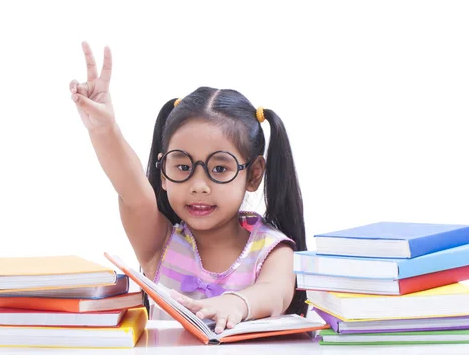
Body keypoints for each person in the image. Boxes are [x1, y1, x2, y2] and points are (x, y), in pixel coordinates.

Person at [69, 42, 307, 334]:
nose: (198, 186)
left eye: (220, 168)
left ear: (254, 174)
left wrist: (237, 303)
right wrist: (104, 129)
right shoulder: (160, 243)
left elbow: (274, 292)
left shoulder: (272, 250)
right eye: (182, 167)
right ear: (164, 172)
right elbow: (132, 192)